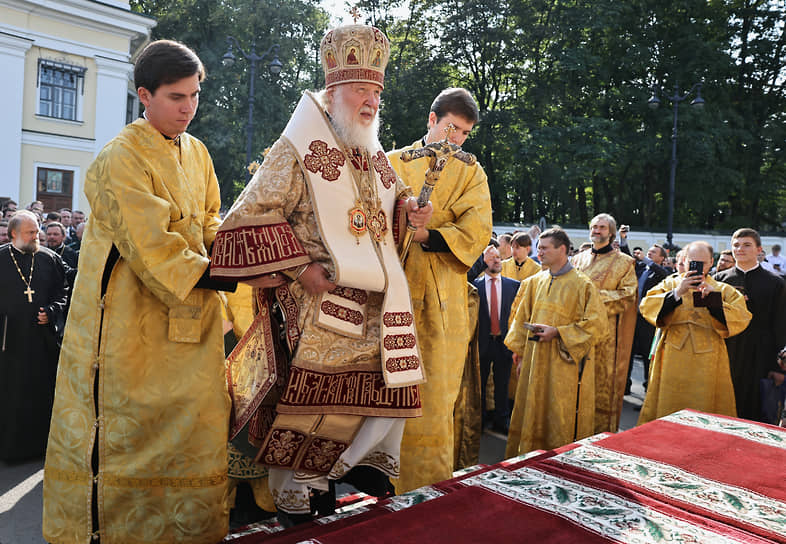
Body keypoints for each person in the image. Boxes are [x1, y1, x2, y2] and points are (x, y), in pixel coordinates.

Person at [209, 24, 432, 526]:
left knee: (377, 396)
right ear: (333, 92)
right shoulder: (296, 148)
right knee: (310, 409)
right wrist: (299, 267)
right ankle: (303, 499)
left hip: (374, 312)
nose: (371, 101)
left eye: (376, 91)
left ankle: (351, 471)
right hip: (316, 307)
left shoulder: (372, 152)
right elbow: (247, 218)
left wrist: (412, 214)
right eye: (361, 90)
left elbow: (393, 213)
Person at [43, 40, 235, 544]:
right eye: (176, 97)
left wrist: (250, 250)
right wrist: (234, 274)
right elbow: (154, 249)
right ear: (144, 96)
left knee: (194, 430)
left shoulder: (197, 152)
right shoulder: (119, 157)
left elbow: (212, 222)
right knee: (133, 440)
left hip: (194, 325)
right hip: (129, 332)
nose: (189, 107)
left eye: (194, 95)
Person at [388, 87, 492, 492]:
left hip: (441, 303)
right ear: (432, 120)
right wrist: (402, 216)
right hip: (391, 292)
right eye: (452, 128)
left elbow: (477, 228)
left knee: (432, 400)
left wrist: (429, 231)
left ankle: (426, 489)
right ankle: (378, 483)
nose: (457, 140)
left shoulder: (471, 172)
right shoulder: (392, 162)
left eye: (465, 133)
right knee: (385, 393)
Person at [505, 228, 607, 455]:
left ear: (562, 249)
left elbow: (597, 325)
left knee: (558, 412)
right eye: (538, 248)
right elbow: (521, 319)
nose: (538, 252)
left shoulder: (583, 284)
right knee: (532, 409)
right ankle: (527, 459)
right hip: (534, 360)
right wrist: (519, 354)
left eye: (544, 248)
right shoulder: (535, 282)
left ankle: (558, 461)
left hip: (563, 366)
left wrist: (559, 332)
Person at [638, 241, 752, 424]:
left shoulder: (722, 289)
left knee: (704, 409)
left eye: (702, 263)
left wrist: (713, 300)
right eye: (692, 262)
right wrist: (677, 293)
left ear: (709, 264)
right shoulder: (670, 283)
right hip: (672, 356)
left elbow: (742, 317)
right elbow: (647, 306)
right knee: (668, 407)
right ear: (684, 260)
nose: (697, 267)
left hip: (708, 361)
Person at [0, 210, 67, 461]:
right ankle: (9, 449)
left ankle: (40, 448)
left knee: (40, 394)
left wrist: (51, 312)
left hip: (41, 342)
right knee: (10, 394)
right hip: (8, 341)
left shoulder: (50, 259)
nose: (36, 235)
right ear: (14, 233)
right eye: (30, 232)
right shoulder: (1, 259)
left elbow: (63, 294)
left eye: (37, 230)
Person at [571, 213, 637, 433]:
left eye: (601, 227)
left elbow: (628, 296)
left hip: (606, 337)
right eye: (593, 227)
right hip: (574, 331)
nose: (596, 231)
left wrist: (593, 297)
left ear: (611, 232)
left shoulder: (625, 262)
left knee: (602, 385)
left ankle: (600, 434)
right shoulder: (577, 260)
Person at [714, 229, 786, 421]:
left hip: (761, 357)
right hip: (726, 354)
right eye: (736, 245)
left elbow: (781, 326)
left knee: (755, 415)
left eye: (747, 245)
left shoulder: (776, 283)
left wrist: (779, 368)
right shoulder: (719, 281)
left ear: (759, 250)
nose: (740, 249)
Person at [473, 246, 519, 433]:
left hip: (504, 342)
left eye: (499, 258)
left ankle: (502, 420)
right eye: (492, 258)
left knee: (502, 384)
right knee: (480, 385)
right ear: (484, 262)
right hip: (482, 343)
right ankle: (481, 420)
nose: (497, 261)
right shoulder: (475, 286)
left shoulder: (514, 285)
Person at [626, 244, 670, 393]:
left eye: (653, 252)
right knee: (627, 352)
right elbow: (626, 259)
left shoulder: (661, 273)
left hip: (647, 320)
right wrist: (624, 241)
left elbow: (664, 274)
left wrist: (646, 259)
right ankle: (624, 387)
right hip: (631, 318)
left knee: (646, 355)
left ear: (662, 258)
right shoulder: (639, 269)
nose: (649, 254)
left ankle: (647, 389)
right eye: (648, 252)